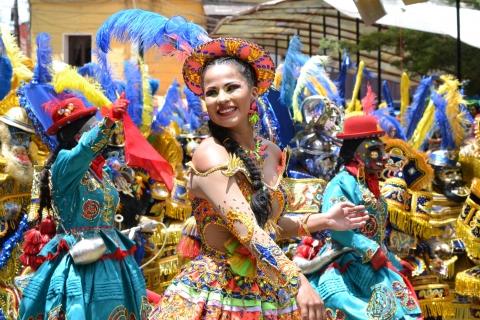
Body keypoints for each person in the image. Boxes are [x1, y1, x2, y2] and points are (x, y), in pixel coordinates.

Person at [150, 38, 369, 320]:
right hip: (217, 295)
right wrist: (299, 283)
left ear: (253, 92)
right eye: (211, 92)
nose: (222, 99)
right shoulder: (210, 154)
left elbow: (270, 226)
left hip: (267, 292)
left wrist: (324, 220)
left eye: (232, 87)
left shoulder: (270, 152)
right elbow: (248, 230)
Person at [19, 94, 149, 319]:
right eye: (93, 127)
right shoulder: (64, 165)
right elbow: (85, 151)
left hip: (112, 258)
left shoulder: (102, 172)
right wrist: (108, 121)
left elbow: (103, 220)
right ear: (78, 136)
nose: (102, 133)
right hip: (79, 261)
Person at [307, 114, 423, 319]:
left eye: (382, 150)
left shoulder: (370, 185)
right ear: (357, 154)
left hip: (372, 260)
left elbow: (376, 235)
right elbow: (336, 228)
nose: (385, 157)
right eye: (375, 151)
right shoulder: (341, 183)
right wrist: (371, 249)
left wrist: (394, 261)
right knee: (345, 303)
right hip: (344, 260)